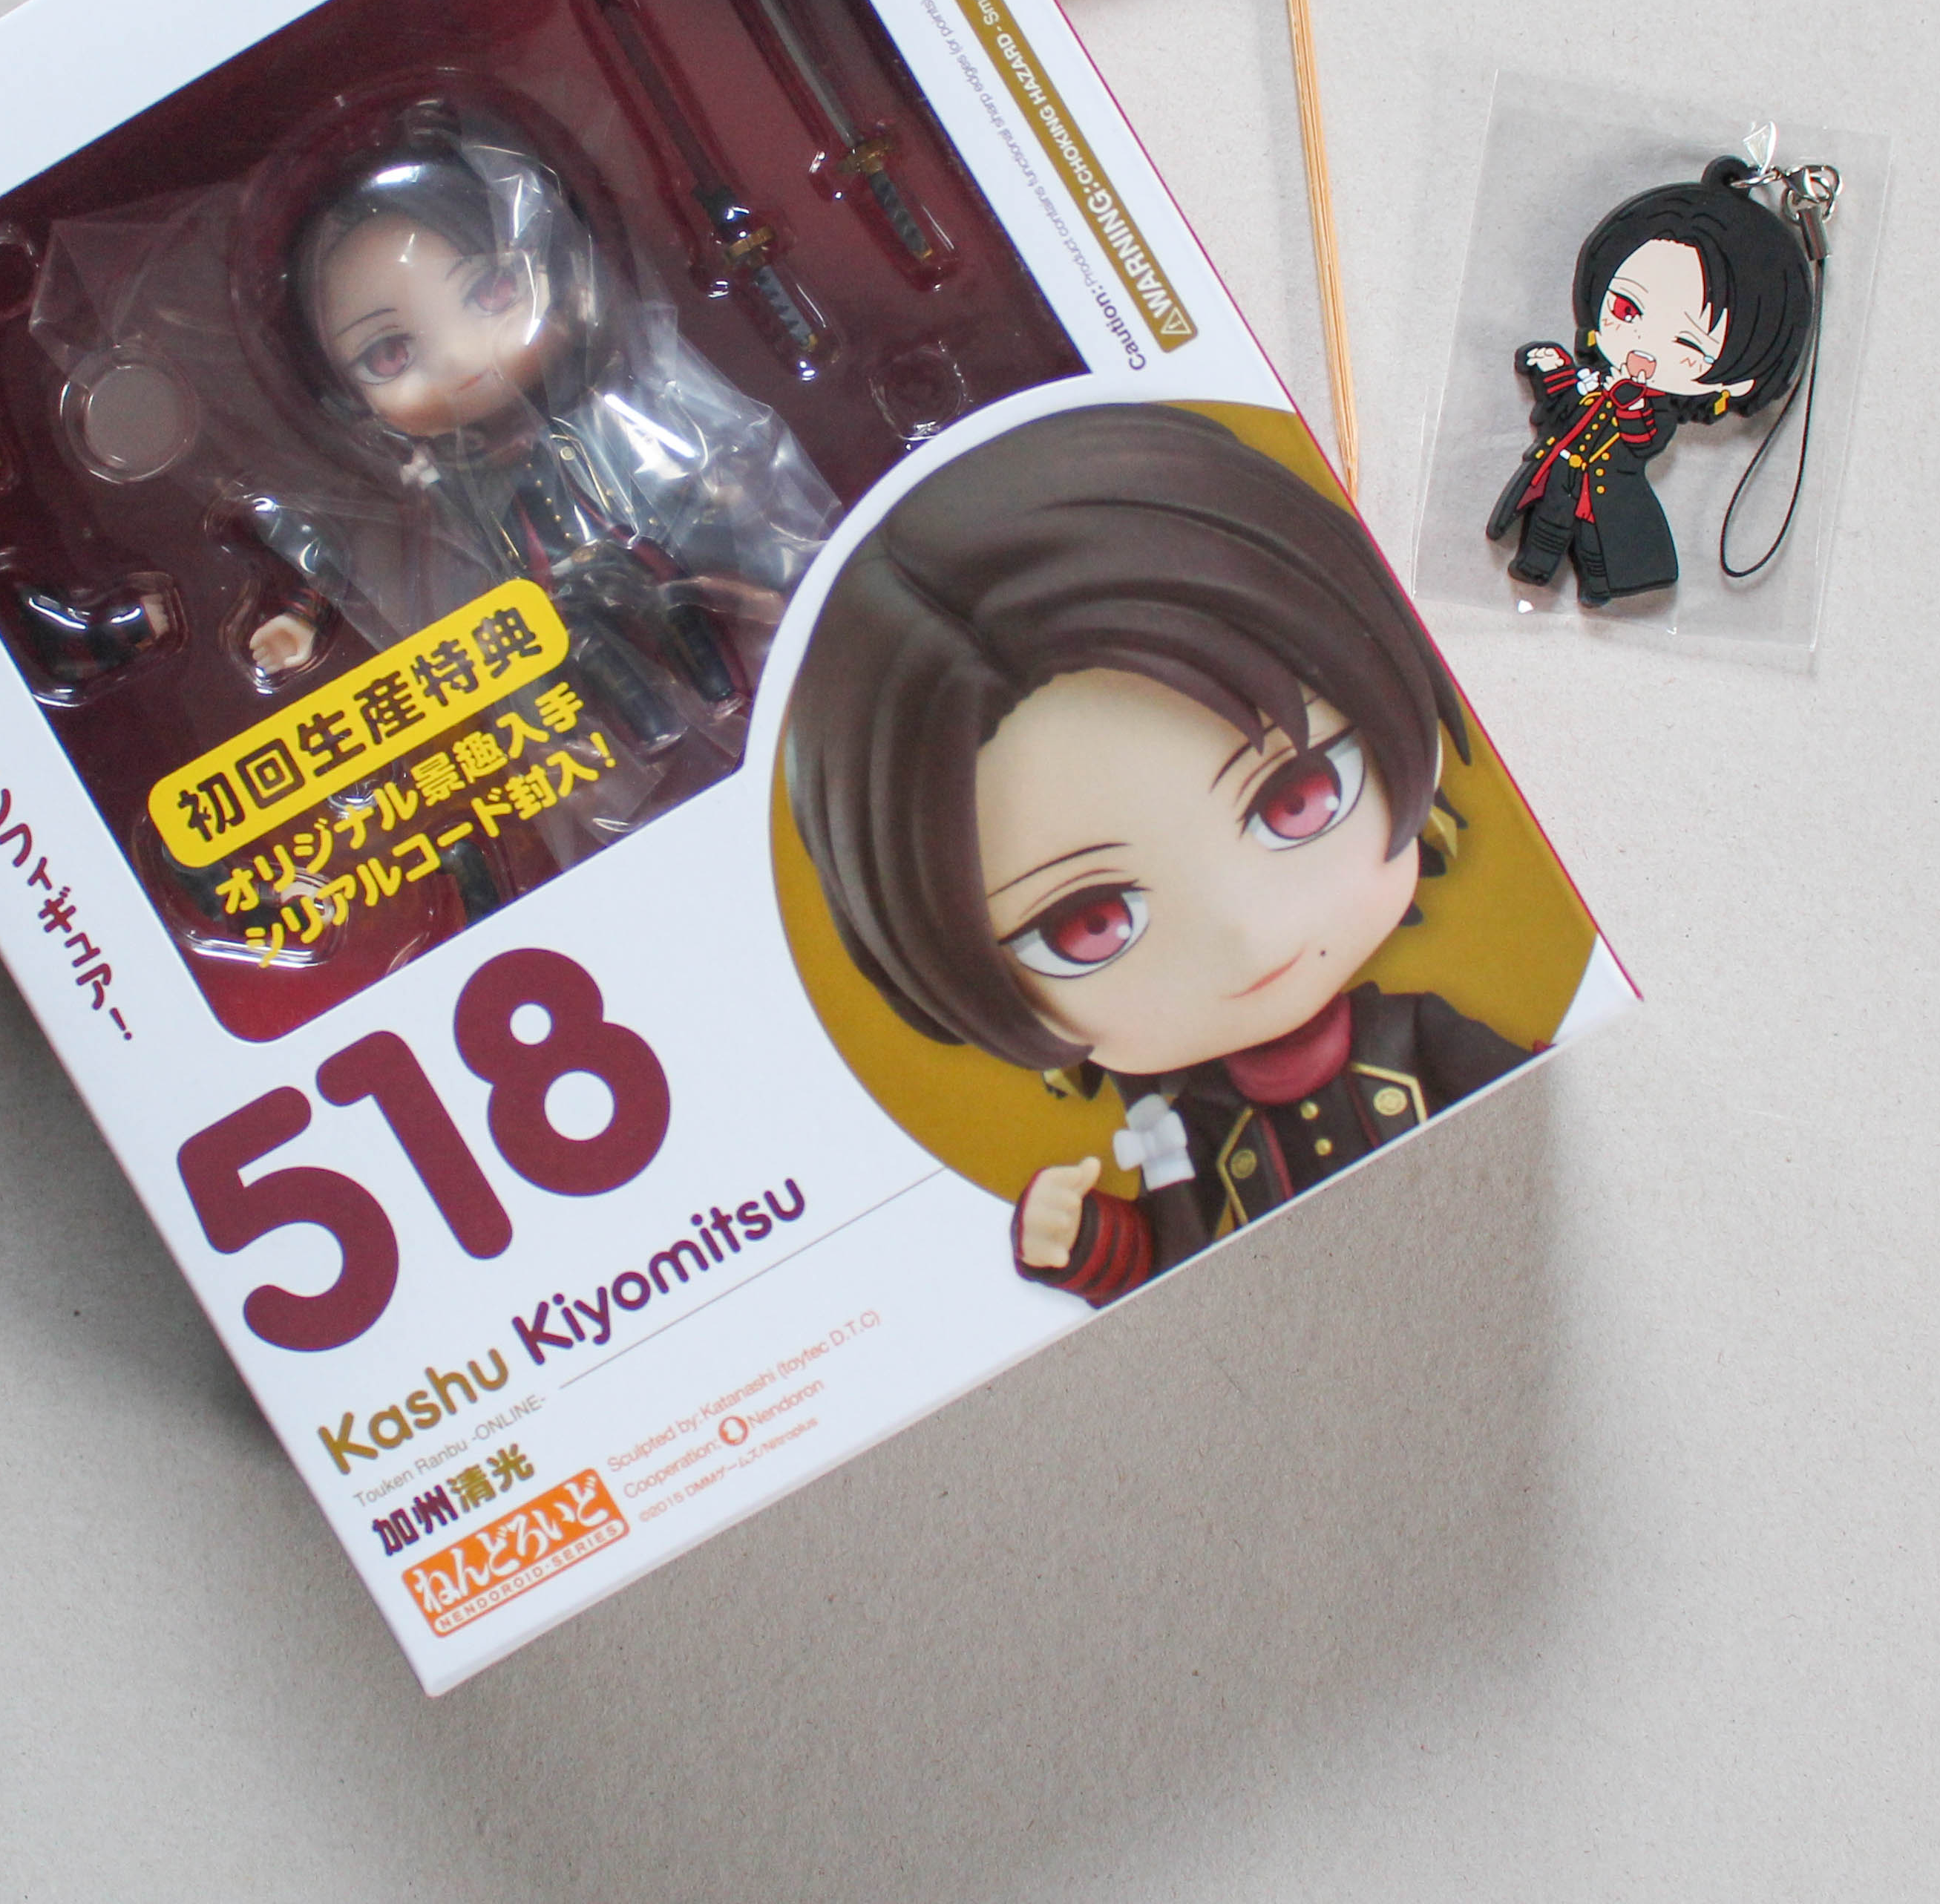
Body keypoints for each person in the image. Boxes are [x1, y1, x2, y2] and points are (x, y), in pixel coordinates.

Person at [785, 402, 1533, 1306]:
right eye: (1091, 924)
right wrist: (1083, 1243)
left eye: (1296, 800)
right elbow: (1172, 1264)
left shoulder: (1418, 1036)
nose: (1246, 933)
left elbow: (1535, 1104)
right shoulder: (1185, 1129)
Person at [246, 95, 838, 752]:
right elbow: (350, 553)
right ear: (340, 392)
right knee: (581, 651)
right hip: (541, 593)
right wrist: (301, 618)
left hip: (634, 547)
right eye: (389, 354)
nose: (460, 358)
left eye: (491, 293)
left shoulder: (602, 413)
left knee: (675, 598)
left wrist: (718, 500)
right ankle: (649, 729)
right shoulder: (434, 478)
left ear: (560, 279)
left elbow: (679, 477)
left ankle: (720, 687)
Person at [1490, 156, 1815, 603]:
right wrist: (1551, 368)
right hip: (1558, 469)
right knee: (1547, 524)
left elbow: (1643, 438)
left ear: (1738, 382)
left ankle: (1600, 584)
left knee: (1595, 540)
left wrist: (1631, 403)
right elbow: (1563, 402)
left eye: (1688, 343)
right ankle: (1535, 564)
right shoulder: (1595, 377)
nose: (1642, 346)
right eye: (1627, 310)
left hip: (1605, 488)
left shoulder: (1654, 408)